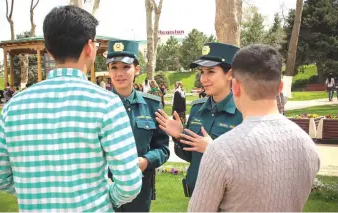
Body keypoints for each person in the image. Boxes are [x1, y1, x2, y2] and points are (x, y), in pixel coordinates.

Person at [0, 6, 142, 212]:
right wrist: (105, 199)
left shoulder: (14, 107)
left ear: (49, 50)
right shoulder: (106, 104)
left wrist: (36, 193)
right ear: (90, 47)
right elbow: (130, 183)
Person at [188, 44, 320, 212]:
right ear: (280, 88)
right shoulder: (307, 145)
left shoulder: (221, 150)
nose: (203, 78)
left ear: (235, 86)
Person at [156, 43, 243, 197]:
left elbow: (250, 165)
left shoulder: (243, 113)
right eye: (201, 72)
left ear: (230, 74)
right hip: (197, 196)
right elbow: (190, 157)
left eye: (210, 72)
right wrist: (179, 136)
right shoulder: (197, 109)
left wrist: (213, 149)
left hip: (228, 199)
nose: (203, 79)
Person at [106, 40, 170, 212]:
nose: (119, 73)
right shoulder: (99, 105)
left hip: (140, 190)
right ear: (108, 71)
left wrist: (146, 161)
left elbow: (163, 148)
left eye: (126, 67)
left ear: (137, 69)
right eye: (114, 67)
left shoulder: (152, 106)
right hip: (104, 188)